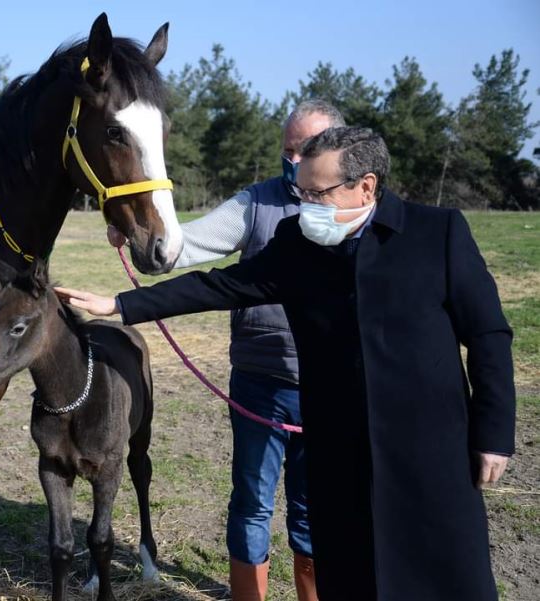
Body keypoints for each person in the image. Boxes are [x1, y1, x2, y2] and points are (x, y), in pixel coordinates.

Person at [58, 126, 515, 601]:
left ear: (366, 186)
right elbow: (221, 286)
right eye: (302, 192)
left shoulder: (437, 233)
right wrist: (120, 305)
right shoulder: (298, 243)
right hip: (339, 451)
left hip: (432, 453)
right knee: (350, 571)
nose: (307, 204)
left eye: (318, 193)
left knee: (442, 574)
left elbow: (489, 336)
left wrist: (494, 436)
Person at [108, 99, 344, 601]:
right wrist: (133, 231)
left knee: (317, 508)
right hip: (260, 383)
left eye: (307, 150)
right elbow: (181, 247)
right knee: (253, 504)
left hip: (335, 385)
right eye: (288, 150)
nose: (295, 160)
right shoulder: (256, 204)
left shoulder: (357, 209)